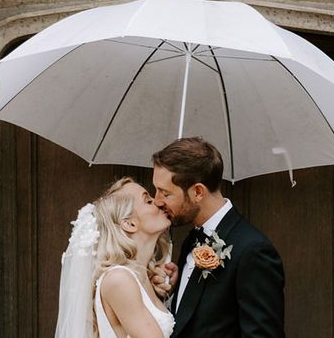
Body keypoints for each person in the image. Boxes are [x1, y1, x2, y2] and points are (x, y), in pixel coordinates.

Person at [152, 137, 286, 337]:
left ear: (198, 192)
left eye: (165, 193)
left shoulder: (252, 251)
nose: (156, 201)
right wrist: (172, 294)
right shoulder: (193, 239)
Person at [55, 176, 175, 338]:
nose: (159, 202)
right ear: (129, 224)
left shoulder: (144, 278)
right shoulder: (119, 279)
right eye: (148, 201)